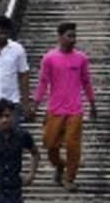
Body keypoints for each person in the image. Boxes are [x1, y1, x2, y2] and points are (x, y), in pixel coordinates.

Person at [33, 21, 97, 191]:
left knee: (72, 145)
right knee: (50, 144)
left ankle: (70, 178)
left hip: (75, 110)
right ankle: (60, 165)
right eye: (69, 36)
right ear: (60, 37)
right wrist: (36, 103)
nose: (73, 39)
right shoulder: (49, 58)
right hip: (54, 109)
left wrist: (92, 103)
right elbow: (42, 82)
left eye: (74, 36)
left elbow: (86, 82)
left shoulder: (81, 58)